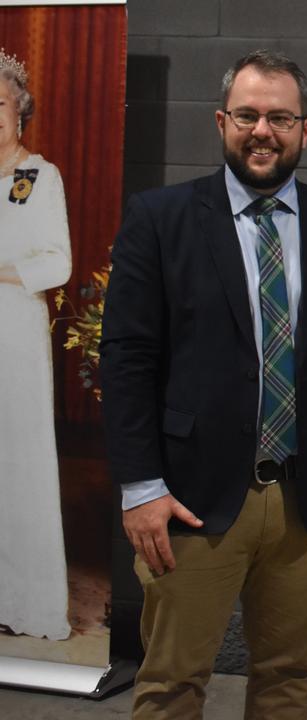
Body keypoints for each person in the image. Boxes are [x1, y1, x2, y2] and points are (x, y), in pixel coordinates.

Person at [100, 50, 307, 719]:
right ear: (221, 122)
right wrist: (140, 488)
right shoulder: (159, 219)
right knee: (172, 681)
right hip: (189, 501)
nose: (263, 131)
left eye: (280, 118)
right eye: (248, 115)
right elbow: (127, 359)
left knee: (286, 679)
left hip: (305, 504)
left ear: (306, 130)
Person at [0, 47, 73, 641]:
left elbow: (58, 263)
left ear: (20, 113)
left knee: (19, 462)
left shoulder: (35, 176)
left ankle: (28, 603)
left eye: (0, 105)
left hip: (15, 334)